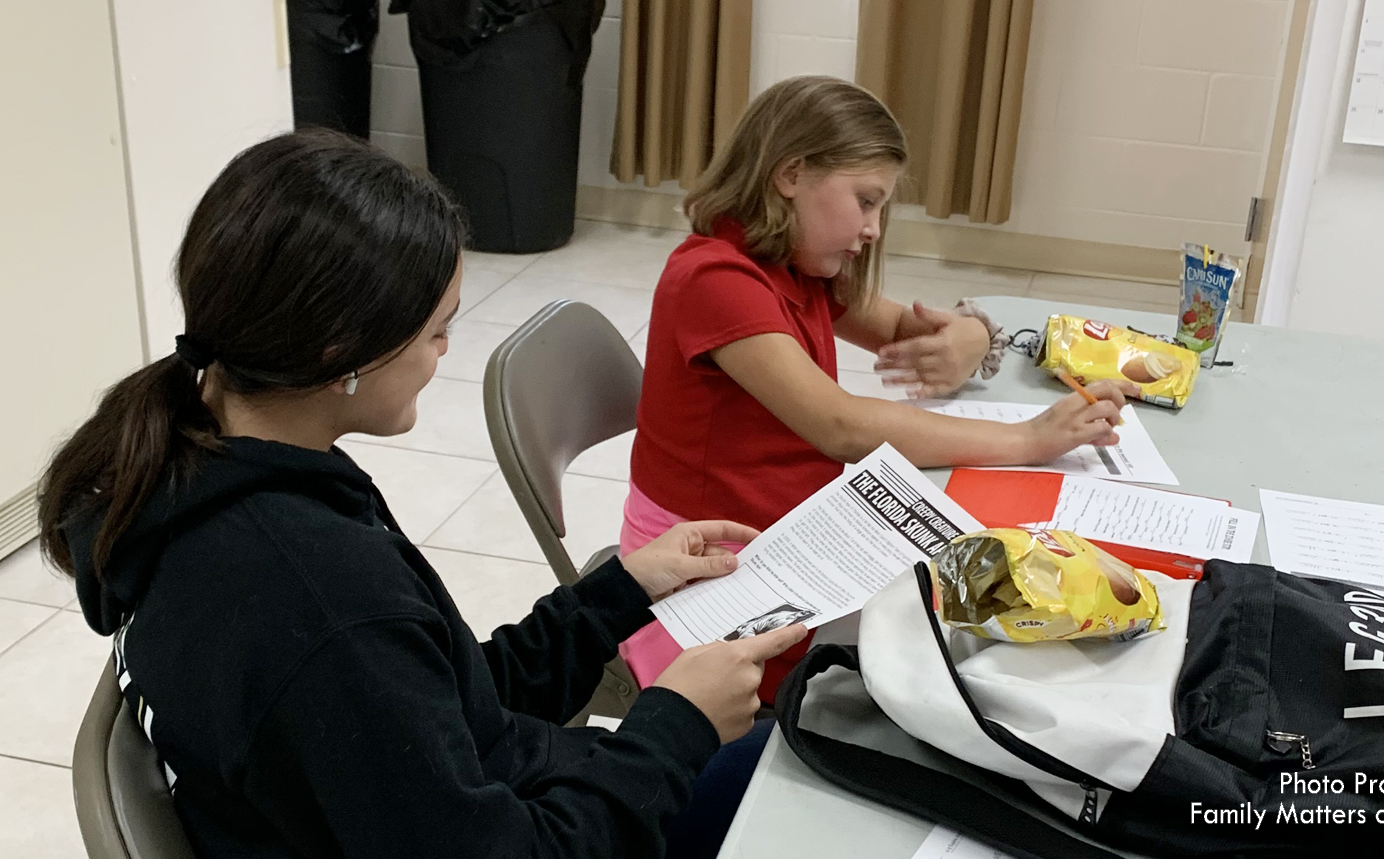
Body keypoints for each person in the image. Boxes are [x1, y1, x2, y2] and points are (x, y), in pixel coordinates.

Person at [37, 129, 806, 859]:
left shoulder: (212, 468)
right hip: (532, 828)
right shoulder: (316, 598)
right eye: (438, 331)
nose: (446, 349)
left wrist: (617, 592)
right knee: (814, 781)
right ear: (343, 351)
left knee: (793, 758)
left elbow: (438, 704)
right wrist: (674, 726)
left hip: (501, 798)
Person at [619, 76, 1135, 696]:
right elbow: (840, 425)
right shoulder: (714, 278)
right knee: (950, 654)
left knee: (973, 618)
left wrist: (972, 334)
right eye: (865, 201)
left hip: (779, 537)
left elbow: (901, 327)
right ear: (791, 174)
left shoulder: (796, 264)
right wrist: (1025, 439)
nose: (873, 228)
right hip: (703, 577)